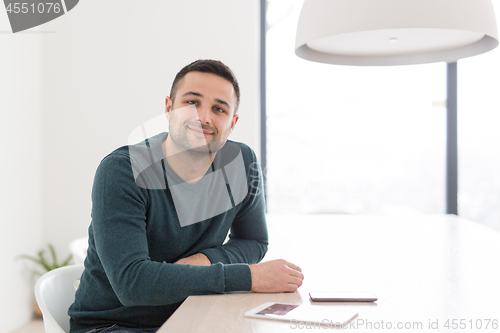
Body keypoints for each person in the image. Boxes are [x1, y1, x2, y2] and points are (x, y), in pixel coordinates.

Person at [68, 59, 304, 333]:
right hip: (114, 325)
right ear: (169, 108)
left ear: (233, 122)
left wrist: (205, 259)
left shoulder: (241, 163)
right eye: (192, 102)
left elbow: (254, 241)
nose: (203, 117)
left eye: (218, 108)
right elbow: (132, 284)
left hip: (195, 313)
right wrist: (247, 276)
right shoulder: (122, 171)